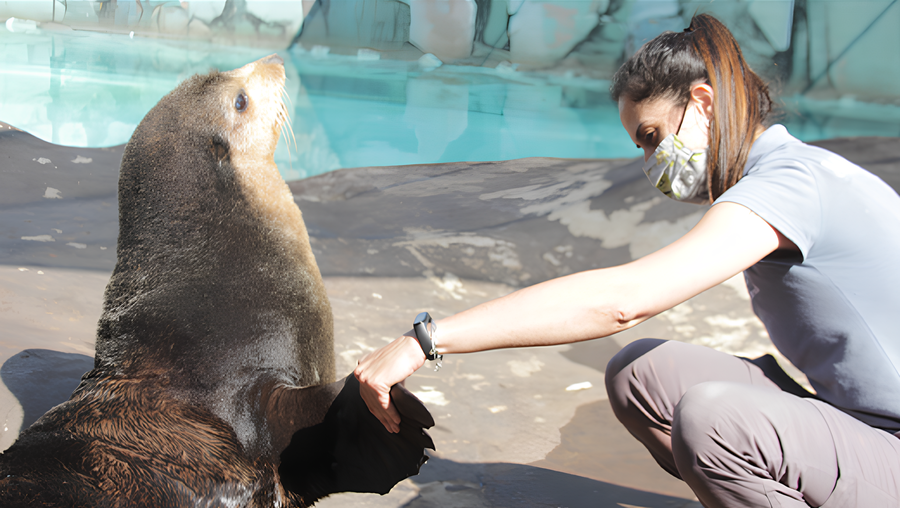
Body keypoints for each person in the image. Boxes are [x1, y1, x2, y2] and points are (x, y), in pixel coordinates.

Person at [354, 13, 900, 507]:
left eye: (652, 136)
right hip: (855, 421)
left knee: (712, 420)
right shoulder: (798, 170)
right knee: (641, 373)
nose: (650, 161)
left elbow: (621, 303)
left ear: (705, 105)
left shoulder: (790, 185)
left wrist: (425, 339)